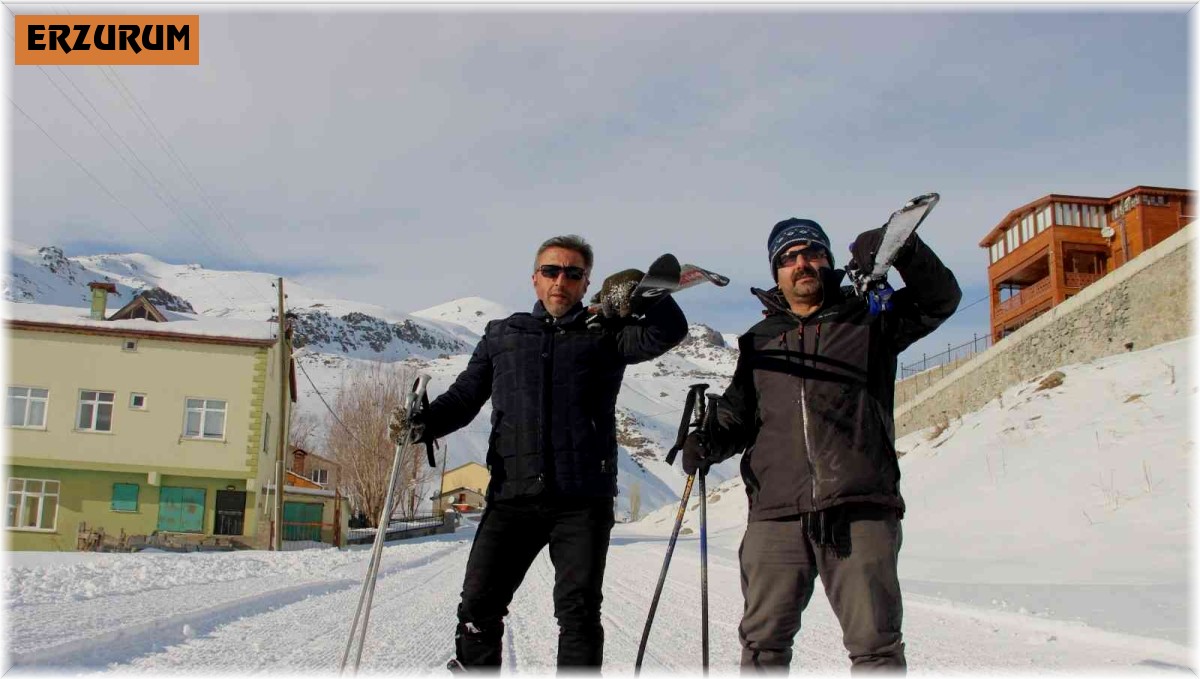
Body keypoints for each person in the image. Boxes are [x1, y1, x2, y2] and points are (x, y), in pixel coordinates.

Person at [682, 216, 961, 672]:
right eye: (788, 258)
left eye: (812, 252)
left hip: (859, 505)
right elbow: (739, 413)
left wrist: (904, 249)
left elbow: (940, 300)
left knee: (876, 647)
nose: (801, 263)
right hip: (776, 513)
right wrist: (708, 438)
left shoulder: (869, 319)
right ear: (776, 273)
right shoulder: (759, 341)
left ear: (828, 261)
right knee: (762, 645)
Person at [404, 235, 688, 670]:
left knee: (578, 616)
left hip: (582, 503)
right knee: (478, 609)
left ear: (585, 281)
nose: (561, 281)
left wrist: (639, 298)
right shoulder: (503, 336)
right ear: (535, 279)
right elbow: (464, 398)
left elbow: (668, 333)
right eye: (552, 271)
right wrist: (423, 424)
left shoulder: (605, 334)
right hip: (510, 499)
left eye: (573, 273)